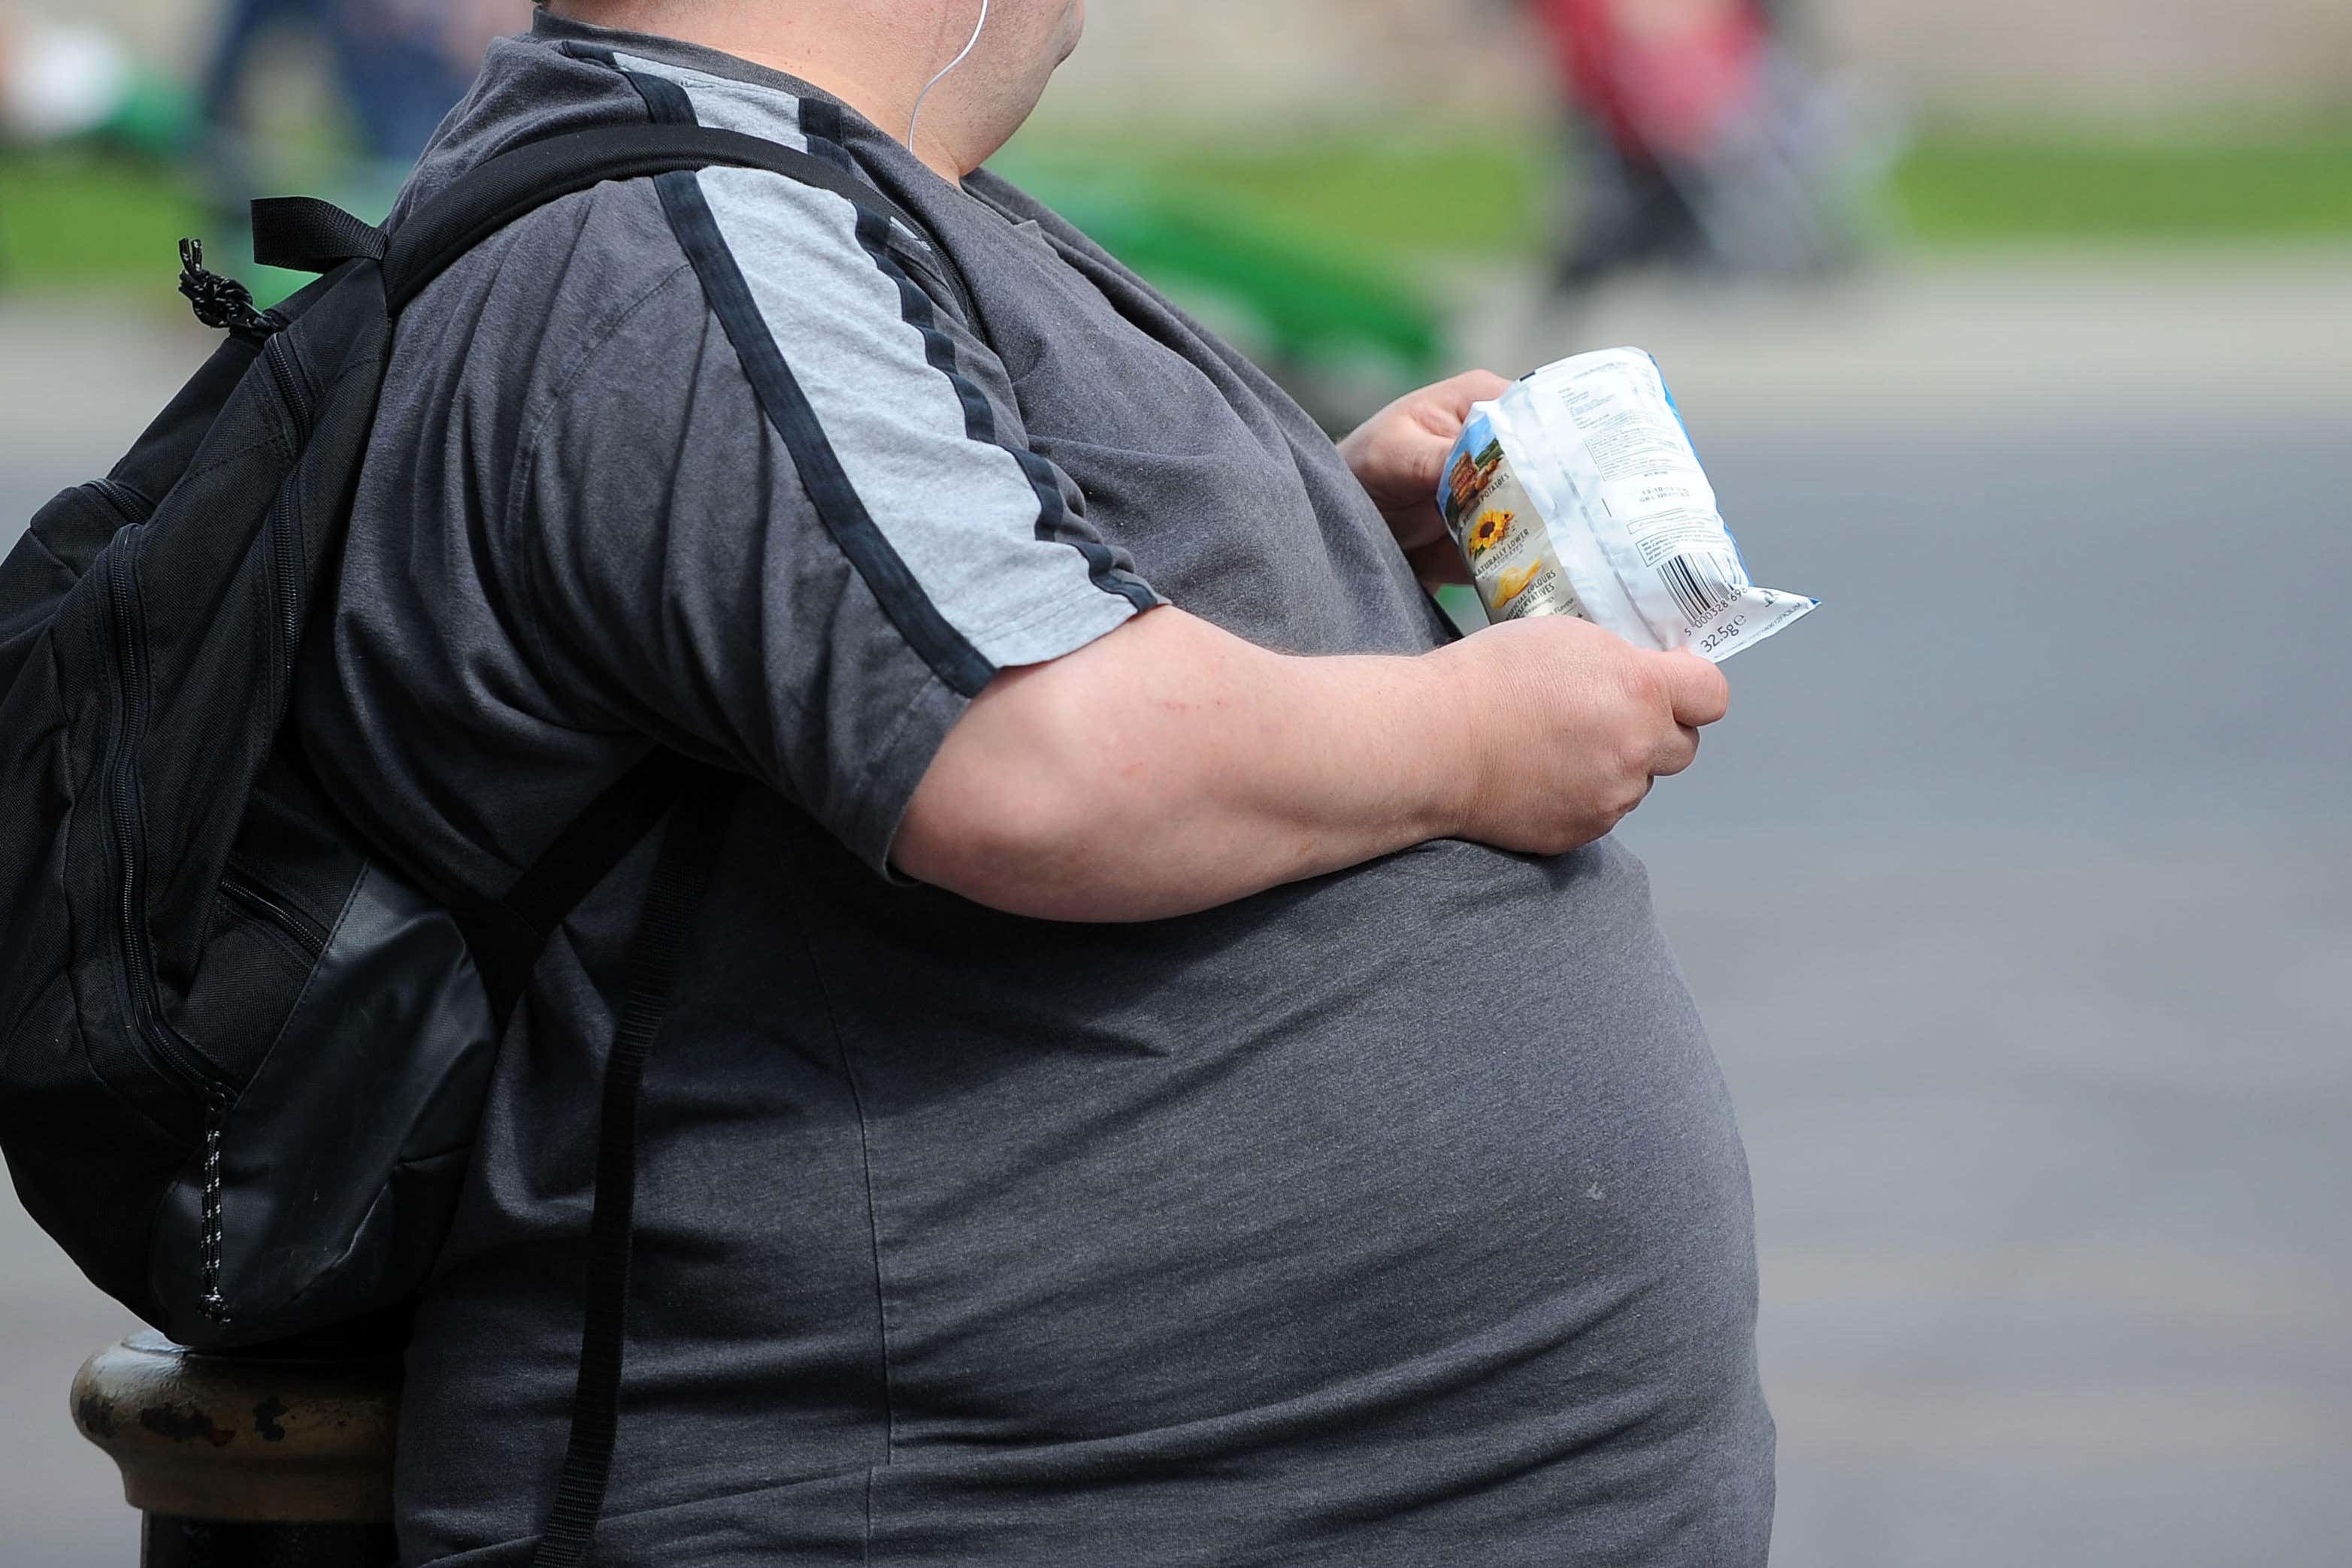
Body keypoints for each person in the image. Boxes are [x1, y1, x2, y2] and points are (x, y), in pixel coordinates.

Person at [299, 1, 1771, 1562]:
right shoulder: (688, 234)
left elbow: (918, 623)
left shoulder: (787, 195)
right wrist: (1474, 739)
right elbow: (1034, 762)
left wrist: (1313, 547)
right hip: (964, 1495)